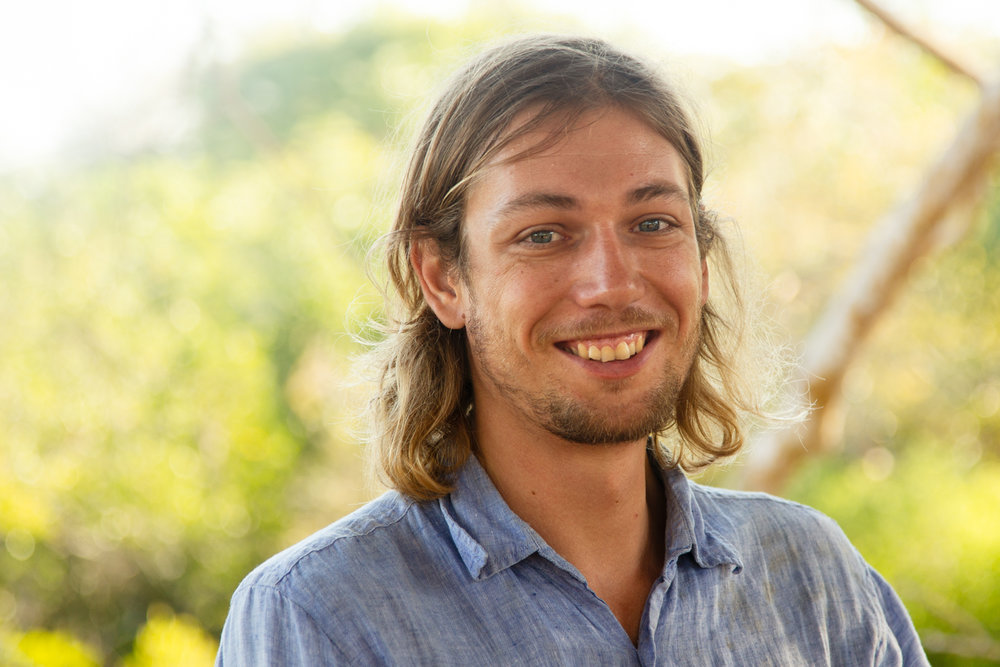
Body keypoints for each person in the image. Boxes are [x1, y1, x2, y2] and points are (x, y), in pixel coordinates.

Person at [217, 34, 929, 665]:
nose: (611, 283)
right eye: (544, 234)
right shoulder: (319, 615)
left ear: (703, 260)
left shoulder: (814, 575)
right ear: (442, 276)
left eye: (653, 222)